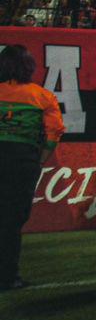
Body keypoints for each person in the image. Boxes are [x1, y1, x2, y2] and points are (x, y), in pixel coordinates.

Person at [0, 45, 65, 290]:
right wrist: (38, 161)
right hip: (22, 160)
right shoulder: (42, 96)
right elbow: (53, 134)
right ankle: (8, 276)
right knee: (12, 221)